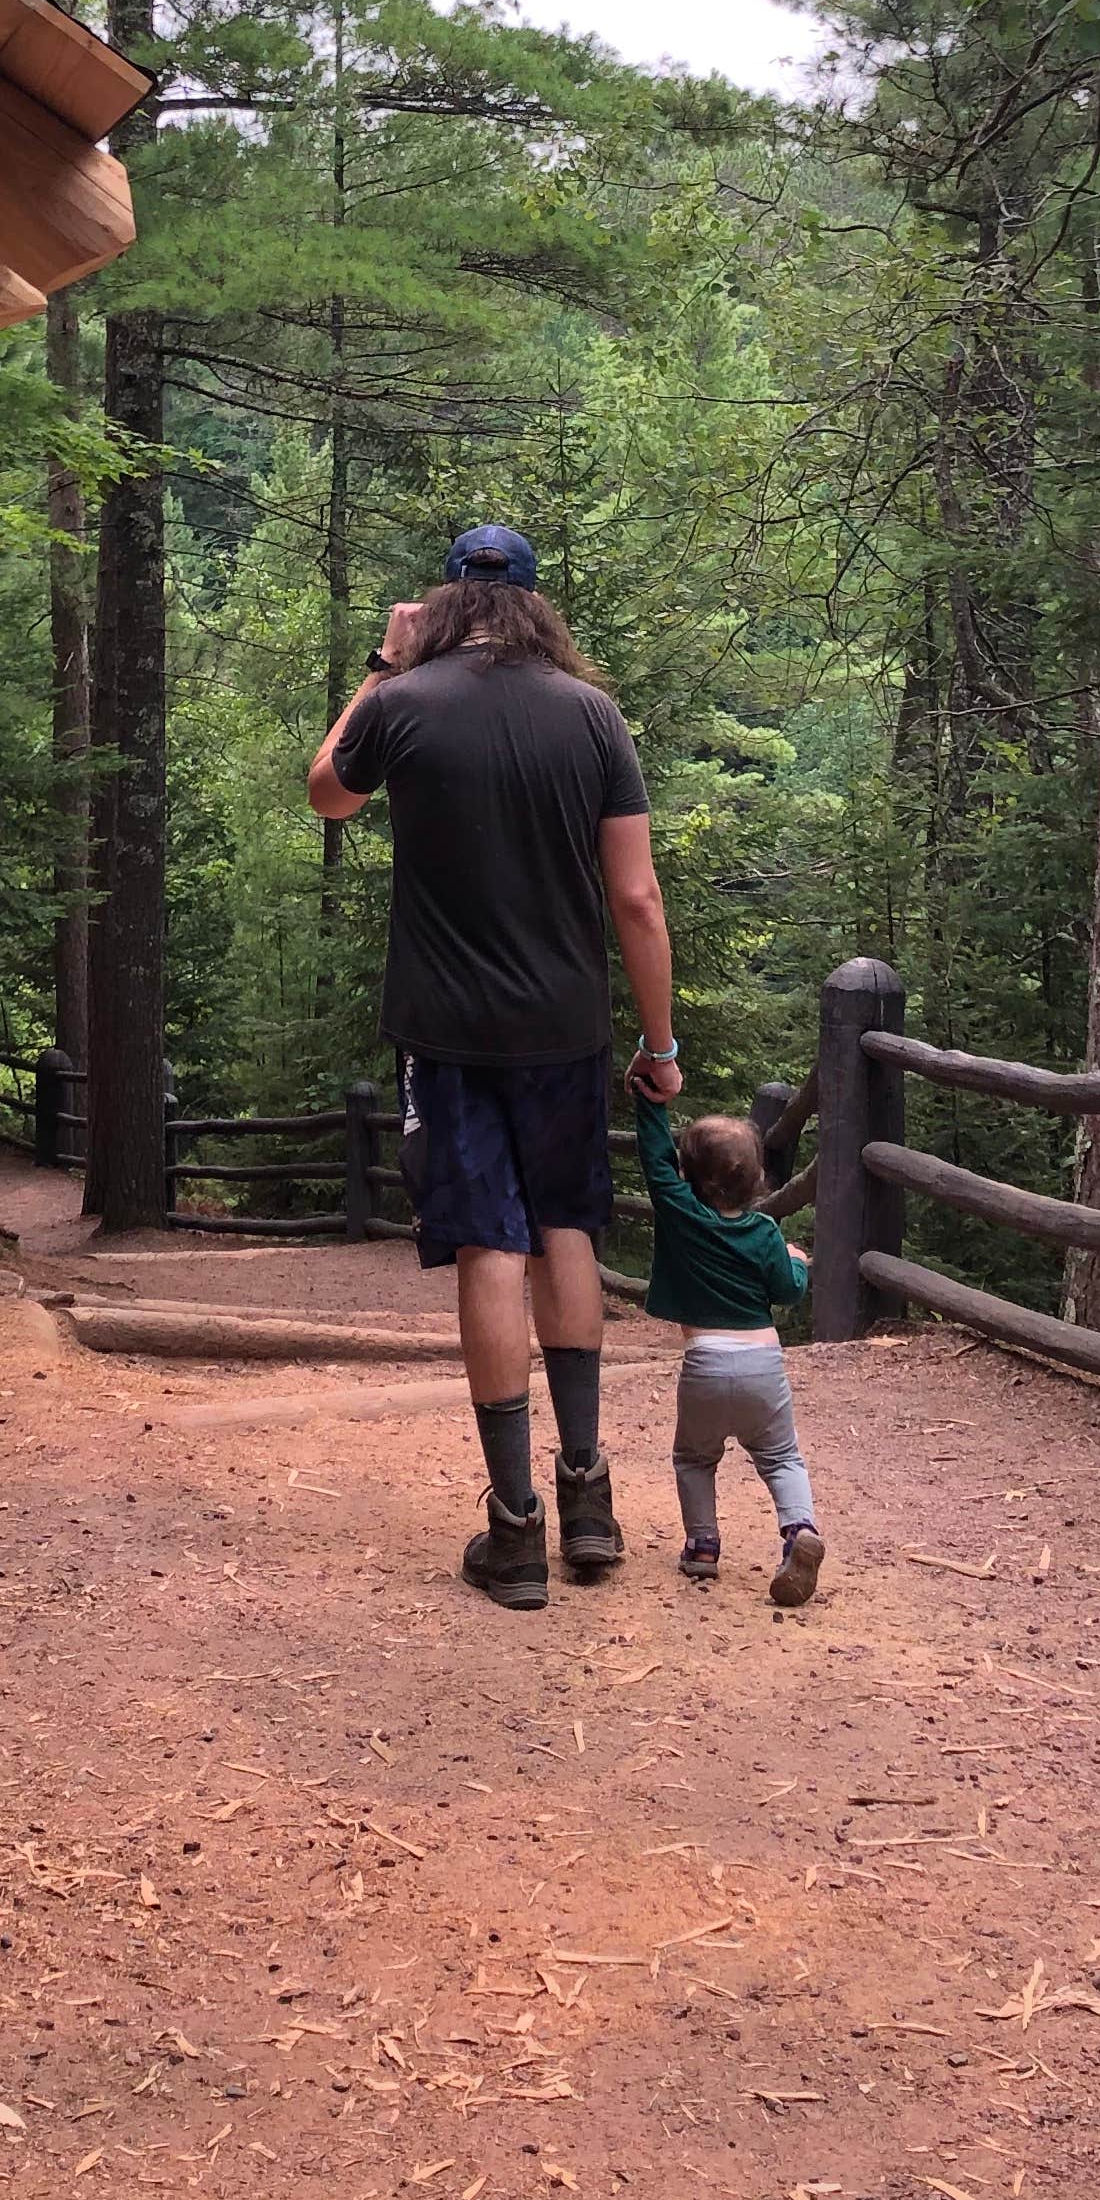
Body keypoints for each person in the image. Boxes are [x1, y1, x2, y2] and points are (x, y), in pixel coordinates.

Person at [305, 523, 678, 1609]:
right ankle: (589, 1499)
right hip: (566, 1026)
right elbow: (637, 897)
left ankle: (514, 1530)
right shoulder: (592, 716)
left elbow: (327, 792)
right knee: (567, 1232)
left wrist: (382, 664)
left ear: (445, 603)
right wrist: (659, 1047)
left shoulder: (403, 705)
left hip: (448, 1032)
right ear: (533, 603)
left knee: (488, 1244)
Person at [633, 1097, 823, 1603]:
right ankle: (799, 1530)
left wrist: (648, 1100)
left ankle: (702, 1547)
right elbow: (788, 1290)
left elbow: (655, 1161)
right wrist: (795, 1261)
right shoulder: (764, 1233)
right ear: (757, 1178)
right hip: (763, 1363)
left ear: (688, 1176)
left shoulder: (681, 1215)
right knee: (781, 1456)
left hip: (706, 1362)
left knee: (695, 1458)